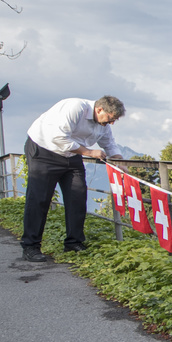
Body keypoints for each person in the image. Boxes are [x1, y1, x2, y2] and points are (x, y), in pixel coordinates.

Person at [20, 96, 125, 261]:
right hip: (44, 151)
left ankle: (73, 242)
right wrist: (90, 152)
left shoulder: (102, 124)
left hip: (73, 154)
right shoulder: (75, 108)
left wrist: (119, 161)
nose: (111, 123)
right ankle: (30, 246)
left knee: (77, 196)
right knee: (39, 199)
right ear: (99, 110)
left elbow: (109, 143)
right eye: (110, 119)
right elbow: (58, 137)